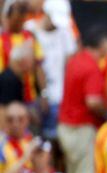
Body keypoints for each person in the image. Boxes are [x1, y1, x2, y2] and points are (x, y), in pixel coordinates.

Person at [58, 25, 107, 173]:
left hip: (65, 126)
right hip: (82, 128)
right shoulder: (91, 67)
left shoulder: (75, 60)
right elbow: (93, 102)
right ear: (102, 44)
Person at [27, 0, 77, 139]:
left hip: (58, 97)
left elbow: (70, 64)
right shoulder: (30, 29)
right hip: (33, 97)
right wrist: (42, 94)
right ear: (47, 13)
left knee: (53, 140)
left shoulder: (65, 33)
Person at [0, 0, 46, 105]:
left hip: (30, 97)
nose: (19, 21)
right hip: (9, 97)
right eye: (16, 17)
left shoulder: (29, 37)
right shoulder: (2, 40)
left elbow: (39, 67)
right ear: (8, 17)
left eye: (22, 17)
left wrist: (43, 94)